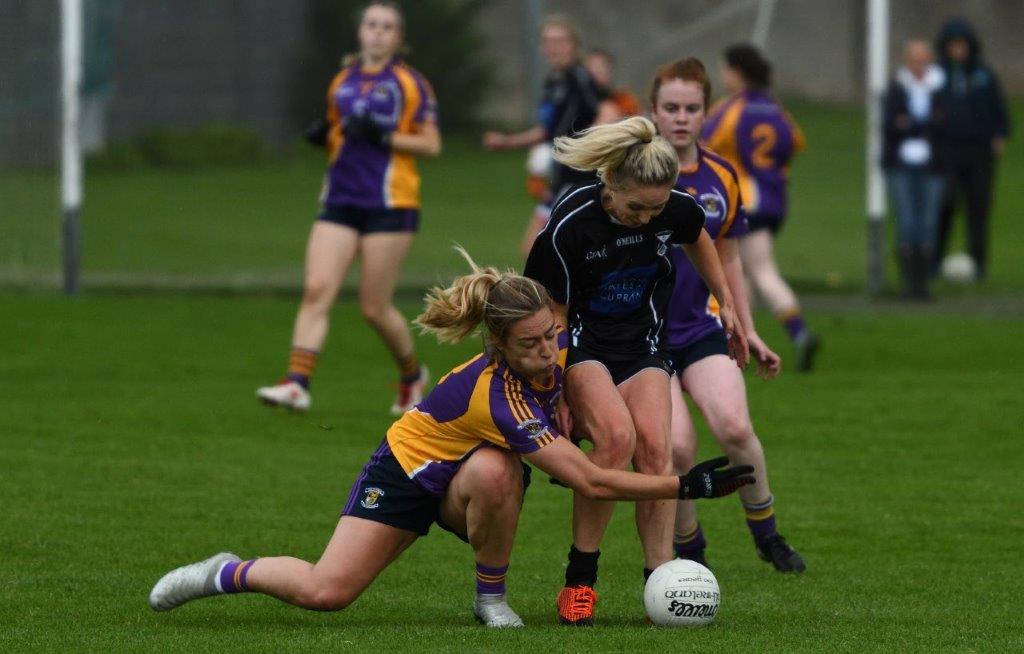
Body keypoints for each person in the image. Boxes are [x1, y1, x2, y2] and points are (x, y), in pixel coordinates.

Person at [148, 251, 756, 627]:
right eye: (530, 345)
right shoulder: (496, 396)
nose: (548, 352)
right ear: (498, 346)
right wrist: (686, 484)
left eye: (551, 335)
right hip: (409, 474)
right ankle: (224, 572)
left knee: (494, 470)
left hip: (468, 478)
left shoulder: (560, 348)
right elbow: (589, 479)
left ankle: (489, 600)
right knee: (326, 592)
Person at [524, 116, 749, 626]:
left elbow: (699, 237)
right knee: (615, 443)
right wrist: (555, 389)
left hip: (643, 346)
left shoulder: (674, 208)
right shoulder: (569, 224)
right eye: (635, 208)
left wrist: (725, 300)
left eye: (656, 208)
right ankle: (580, 580)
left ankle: (660, 584)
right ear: (610, 184)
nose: (647, 219)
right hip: (582, 347)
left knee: (657, 451)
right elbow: (551, 315)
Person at [649, 57, 805, 573]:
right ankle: (691, 552)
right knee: (676, 446)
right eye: (670, 107)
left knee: (735, 427)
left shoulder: (721, 176)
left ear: (704, 113)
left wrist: (747, 325)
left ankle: (767, 533)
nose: (681, 117)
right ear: (654, 111)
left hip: (699, 328)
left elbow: (730, 256)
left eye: (692, 108)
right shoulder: (631, 176)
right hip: (642, 340)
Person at [256, 1, 440, 414]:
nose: (377, 32)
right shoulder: (342, 80)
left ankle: (412, 378)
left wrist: (384, 135)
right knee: (317, 289)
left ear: (398, 38)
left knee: (374, 307)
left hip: (390, 202)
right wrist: (327, 137)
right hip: (340, 198)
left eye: (387, 26)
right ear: (360, 33)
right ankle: (297, 382)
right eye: (371, 24)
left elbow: (431, 144)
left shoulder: (410, 84)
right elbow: (342, 134)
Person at [703, 44, 819, 371]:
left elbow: (705, 143)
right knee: (748, 273)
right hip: (773, 199)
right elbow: (796, 142)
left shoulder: (729, 109)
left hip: (743, 201)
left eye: (725, 69)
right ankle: (738, 344)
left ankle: (800, 333)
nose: (722, 75)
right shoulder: (776, 109)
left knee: (760, 270)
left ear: (737, 73)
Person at [483, 14, 617, 257]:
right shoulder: (554, 82)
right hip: (561, 175)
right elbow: (548, 130)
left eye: (560, 41)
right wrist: (508, 141)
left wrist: (589, 149)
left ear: (573, 45)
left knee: (540, 250)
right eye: (547, 41)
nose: (553, 47)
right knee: (542, 252)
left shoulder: (579, 77)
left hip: (580, 177)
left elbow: (607, 109)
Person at [933, 18, 1011, 281]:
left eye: (962, 45)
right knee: (945, 203)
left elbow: (999, 111)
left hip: (979, 150)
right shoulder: (937, 75)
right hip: (948, 149)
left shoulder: (983, 75)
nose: (958, 50)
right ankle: (934, 260)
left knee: (978, 207)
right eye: (953, 45)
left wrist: (999, 135)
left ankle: (978, 263)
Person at [883, 40, 946, 299]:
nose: (918, 65)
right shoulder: (897, 88)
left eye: (923, 60)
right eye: (913, 60)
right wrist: (922, 124)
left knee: (928, 224)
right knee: (907, 221)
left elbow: (944, 124)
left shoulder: (940, 88)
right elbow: (891, 124)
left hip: (933, 165)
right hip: (901, 164)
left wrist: (910, 123)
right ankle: (909, 284)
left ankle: (924, 284)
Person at [585, 49, 642, 119]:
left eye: (602, 66)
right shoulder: (578, 102)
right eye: (592, 67)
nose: (596, 70)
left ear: (610, 70)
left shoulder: (624, 100)